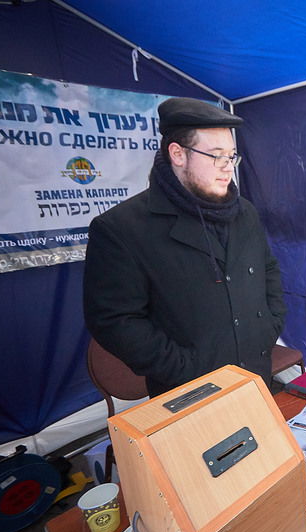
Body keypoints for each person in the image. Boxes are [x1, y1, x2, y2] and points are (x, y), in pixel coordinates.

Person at [84, 97, 286, 397]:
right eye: (216, 156)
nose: (227, 168)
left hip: (256, 377)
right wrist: (184, 368)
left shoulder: (245, 212)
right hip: (188, 392)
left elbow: (267, 270)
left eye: (231, 156)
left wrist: (269, 328)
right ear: (178, 154)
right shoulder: (122, 228)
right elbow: (114, 321)